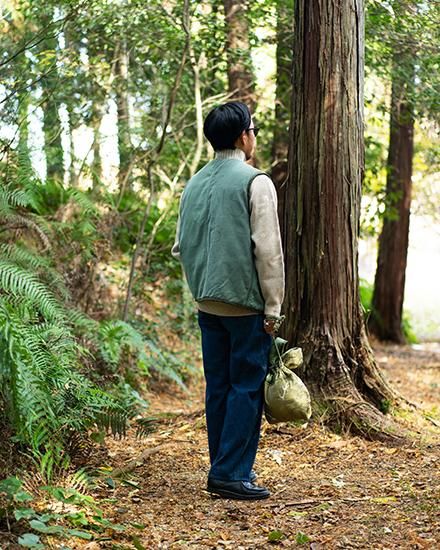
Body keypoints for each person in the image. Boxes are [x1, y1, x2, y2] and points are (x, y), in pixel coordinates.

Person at [172, 101, 285, 500]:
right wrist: (273, 307)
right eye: (253, 130)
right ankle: (230, 473)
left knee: (219, 386)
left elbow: (181, 246)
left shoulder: (194, 184)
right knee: (246, 387)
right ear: (242, 136)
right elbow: (268, 252)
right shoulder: (256, 182)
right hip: (246, 305)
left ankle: (222, 466)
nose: (254, 136)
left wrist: (202, 282)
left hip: (207, 304)